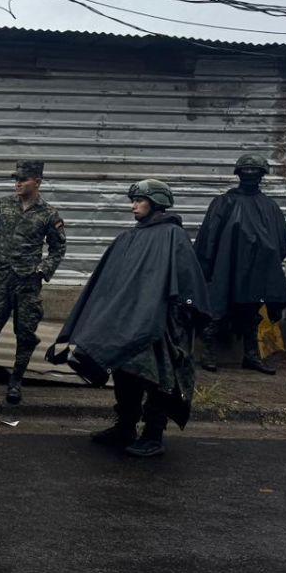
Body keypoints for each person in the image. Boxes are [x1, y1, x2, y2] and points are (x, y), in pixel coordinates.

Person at [48, 179, 211, 458]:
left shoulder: (173, 236)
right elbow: (109, 283)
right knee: (125, 374)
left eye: (139, 200)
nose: (133, 206)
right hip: (125, 324)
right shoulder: (128, 237)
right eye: (133, 200)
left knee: (157, 378)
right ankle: (125, 426)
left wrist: (176, 319)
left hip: (158, 326)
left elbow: (187, 283)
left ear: (156, 203)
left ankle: (153, 434)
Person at [0, 160, 67, 405]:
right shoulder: (0, 205)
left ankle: (16, 382)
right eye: (16, 179)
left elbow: (58, 247)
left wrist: (43, 270)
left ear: (37, 182)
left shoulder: (49, 214)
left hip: (27, 283)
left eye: (23, 179)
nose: (18, 183)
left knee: (26, 333)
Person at [193, 154, 286, 375]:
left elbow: (282, 241)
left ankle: (251, 355)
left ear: (261, 176)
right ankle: (208, 352)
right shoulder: (224, 202)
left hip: (256, 272)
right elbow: (208, 238)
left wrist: (267, 263)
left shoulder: (269, 207)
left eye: (254, 172)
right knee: (218, 308)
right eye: (246, 172)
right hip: (226, 268)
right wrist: (206, 268)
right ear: (238, 174)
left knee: (251, 313)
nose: (250, 176)